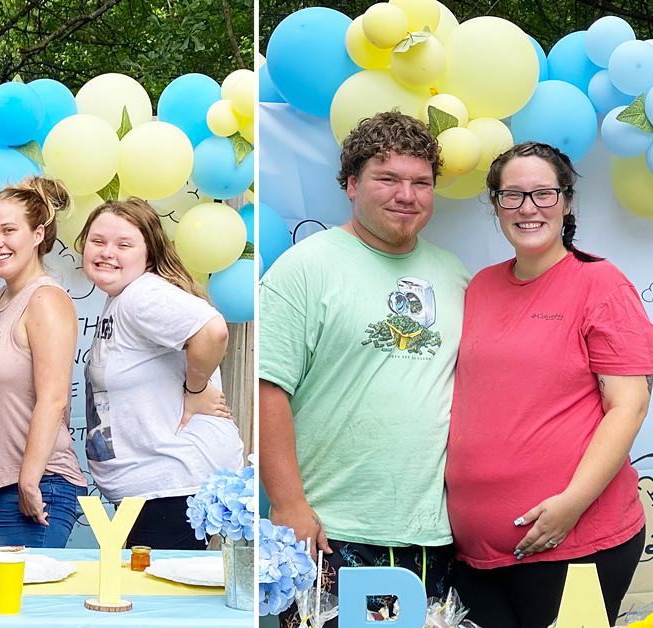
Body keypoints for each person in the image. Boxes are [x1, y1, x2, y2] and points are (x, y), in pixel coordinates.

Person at [258, 111, 470, 625]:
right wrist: (288, 507)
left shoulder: (456, 275)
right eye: (388, 178)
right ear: (352, 184)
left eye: (421, 182)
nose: (407, 194)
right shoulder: (306, 268)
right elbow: (267, 389)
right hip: (331, 530)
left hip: (434, 535)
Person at [447, 142, 653, 627]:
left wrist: (570, 506)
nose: (528, 208)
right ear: (495, 205)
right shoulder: (480, 287)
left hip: (575, 541)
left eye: (543, 193)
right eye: (512, 195)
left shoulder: (601, 284)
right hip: (475, 552)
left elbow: (629, 405)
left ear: (567, 201)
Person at [77, 197, 242, 550]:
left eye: (124, 245)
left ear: (148, 255)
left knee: (161, 600)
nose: (108, 252)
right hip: (153, 492)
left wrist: (195, 391)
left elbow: (213, 331)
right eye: (98, 241)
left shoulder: (143, 295)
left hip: (170, 490)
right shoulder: (122, 298)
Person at [0, 177, 87, 548]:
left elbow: (53, 399)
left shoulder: (45, 300)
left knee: (25, 604)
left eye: (8, 231)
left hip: (38, 484)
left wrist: (29, 480)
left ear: (38, 234)